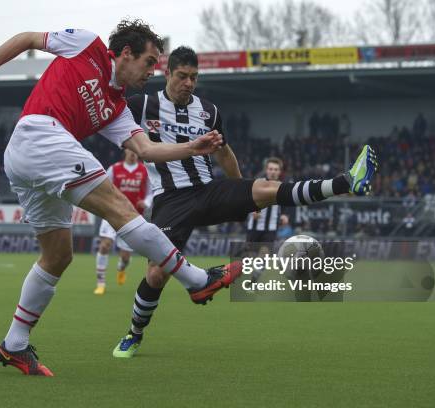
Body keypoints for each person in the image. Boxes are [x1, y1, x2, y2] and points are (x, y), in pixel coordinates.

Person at [0, 19, 235, 376]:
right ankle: (196, 281)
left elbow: (146, 149)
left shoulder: (117, 107)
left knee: (58, 256)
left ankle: (14, 344)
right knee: (120, 208)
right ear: (127, 53)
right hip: (40, 133)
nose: (153, 71)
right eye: (149, 62)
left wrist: (193, 147)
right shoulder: (87, 45)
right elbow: (27, 38)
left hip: (31, 159)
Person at [112, 46, 378, 358]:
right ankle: (135, 333)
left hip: (208, 190)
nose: (188, 83)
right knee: (157, 274)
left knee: (266, 189)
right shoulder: (143, 104)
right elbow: (111, 112)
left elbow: (223, 152)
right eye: (182, 76)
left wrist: (240, 192)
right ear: (167, 73)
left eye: (194, 77)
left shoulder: (207, 110)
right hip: (171, 200)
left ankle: (346, 182)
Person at [94, 149, 151, 295]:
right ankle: (100, 283)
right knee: (105, 245)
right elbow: (104, 187)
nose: (132, 153)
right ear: (125, 151)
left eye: (135, 151)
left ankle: (121, 268)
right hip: (112, 212)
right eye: (130, 150)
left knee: (125, 257)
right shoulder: (114, 169)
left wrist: (146, 202)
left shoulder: (144, 170)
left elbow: (151, 191)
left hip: (132, 216)